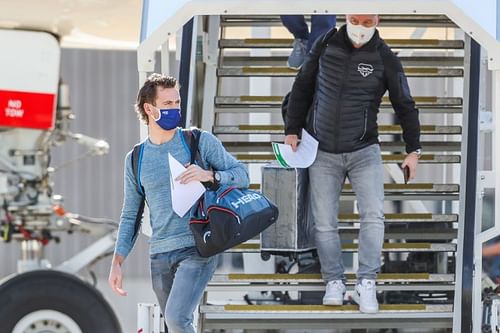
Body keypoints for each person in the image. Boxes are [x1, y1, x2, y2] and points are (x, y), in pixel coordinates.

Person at [284, 14, 421, 313]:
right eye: (355, 19)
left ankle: (366, 282)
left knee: (373, 218)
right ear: (347, 17)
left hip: (364, 151)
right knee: (324, 223)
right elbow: (303, 84)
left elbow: (405, 105)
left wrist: (414, 150)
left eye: (367, 21)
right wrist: (292, 129)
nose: (360, 25)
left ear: (378, 20)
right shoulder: (325, 43)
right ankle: (334, 281)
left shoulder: (385, 58)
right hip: (322, 151)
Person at [108, 73, 249, 332]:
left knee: (175, 318)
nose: (176, 109)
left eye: (177, 103)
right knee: (176, 325)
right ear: (149, 109)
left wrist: (210, 175)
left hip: (198, 247)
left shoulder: (198, 141)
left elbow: (242, 175)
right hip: (160, 254)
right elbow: (130, 215)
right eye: (168, 104)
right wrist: (117, 261)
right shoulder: (135, 159)